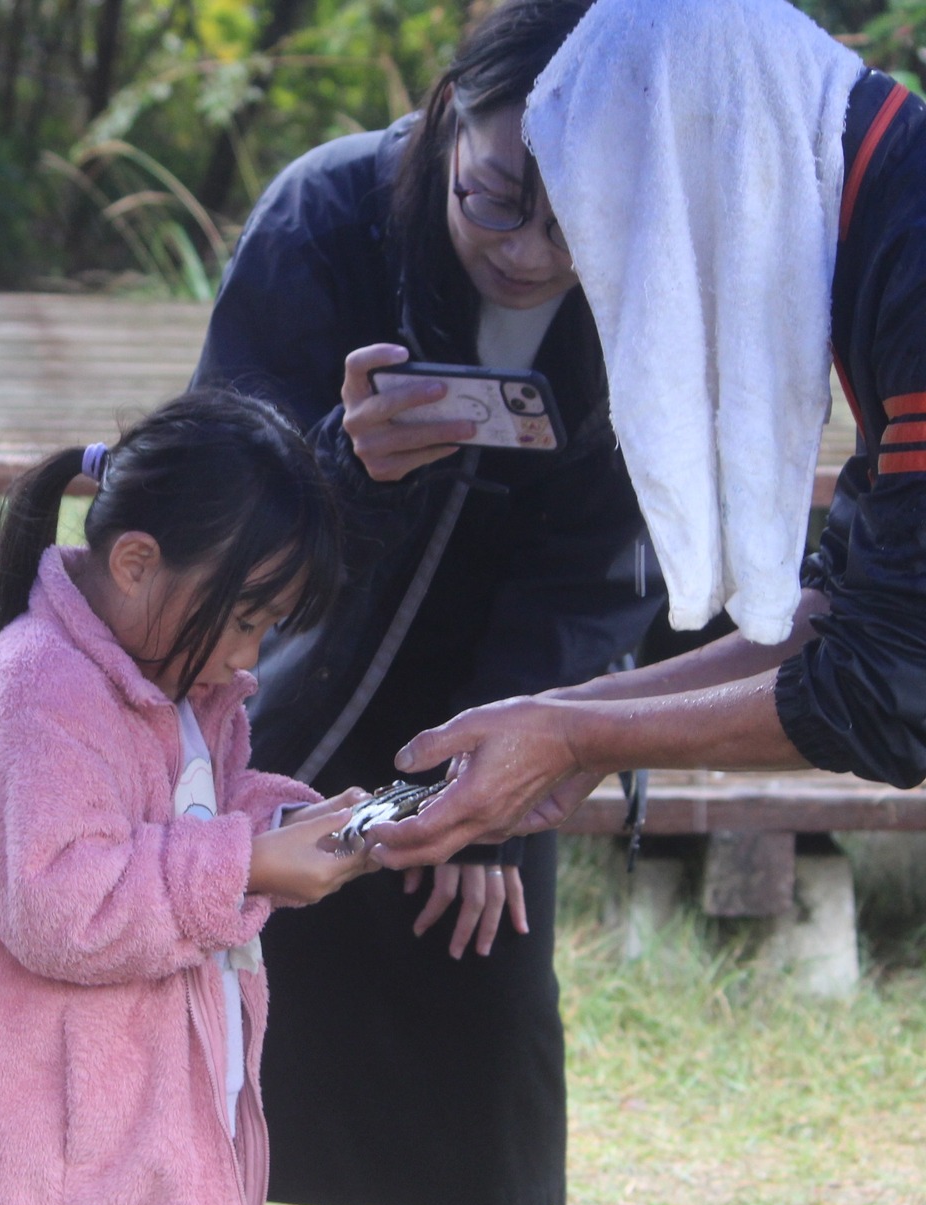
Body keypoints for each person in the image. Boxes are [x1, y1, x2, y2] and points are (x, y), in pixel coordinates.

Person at [191, 2, 663, 1205]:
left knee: (491, 1017)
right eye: (502, 200)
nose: (531, 253)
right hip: (274, 741)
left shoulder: (641, 278)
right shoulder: (324, 216)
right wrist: (340, 466)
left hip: (501, 714)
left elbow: (598, 573)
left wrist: (499, 794)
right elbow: (210, 500)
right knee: (171, 1034)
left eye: (578, 223)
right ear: (455, 112)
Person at [0, 389, 372, 1205]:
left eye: (268, 627)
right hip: (53, 1139)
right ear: (134, 564)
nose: (251, 656)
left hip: (132, 1123)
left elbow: (195, 815)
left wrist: (307, 822)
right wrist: (249, 862)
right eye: (246, 618)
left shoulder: (177, 681)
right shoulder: (35, 696)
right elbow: (64, 908)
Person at [369, 0, 926, 871]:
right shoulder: (878, 209)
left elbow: (891, 686)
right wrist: (580, 720)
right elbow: (849, 608)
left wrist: (581, 737)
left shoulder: (913, 256)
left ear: (703, 164)